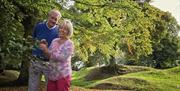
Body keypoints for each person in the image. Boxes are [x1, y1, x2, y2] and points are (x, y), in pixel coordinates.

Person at [28, 9, 61, 91]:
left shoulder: (59, 31)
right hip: (35, 60)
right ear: (48, 17)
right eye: (52, 18)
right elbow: (33, 40)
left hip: (50, 63)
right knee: (32, 87)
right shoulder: (39, 26)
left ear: (58, 21)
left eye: (55, 19)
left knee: (50, 88)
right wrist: (38, 44)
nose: (53, 20)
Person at [40, 19, 74, 91]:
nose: (62, 30)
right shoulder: (54, 41)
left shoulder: (69, 44)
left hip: (63, 75)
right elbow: (48, 56)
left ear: (69, 32)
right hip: (52, 73)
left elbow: (61, 58)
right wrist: (45, 48)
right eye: (61, 28)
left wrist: (47, 51)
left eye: (65, 29)